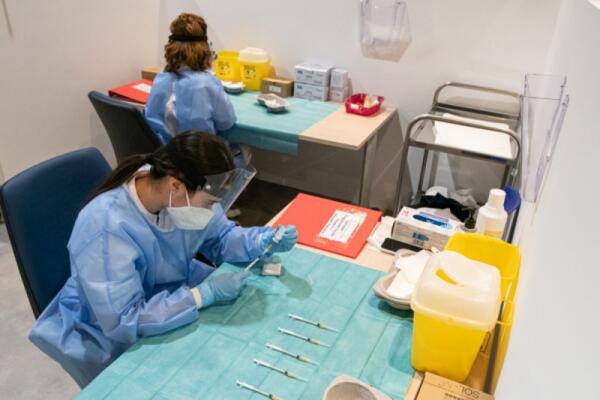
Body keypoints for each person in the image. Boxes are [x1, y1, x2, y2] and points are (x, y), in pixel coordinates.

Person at [28, 132, 298, 387]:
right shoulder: (106, 226)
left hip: (167, 296)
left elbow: (220, 237)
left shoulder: (175, 193)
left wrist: (259, 240)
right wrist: (202, 296)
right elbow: (124, 321)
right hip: (107, 333)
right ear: (175, 186)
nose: (211, 210)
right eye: (208, 203)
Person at [145, 13, 236, 146]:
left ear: (171, 46)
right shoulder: (208, 83)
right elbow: (226, 122)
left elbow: (151, 119)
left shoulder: (160, 79)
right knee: (242, 150)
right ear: (204, 48)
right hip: (200, 156)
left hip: (165, 154)